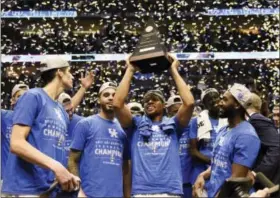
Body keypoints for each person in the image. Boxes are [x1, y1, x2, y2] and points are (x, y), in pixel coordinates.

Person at [113, 54, 195, 197]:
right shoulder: (135, 125)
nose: (149, 102)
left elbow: (189, 103)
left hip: (170, 191)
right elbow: (117, 104)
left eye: (154, 99)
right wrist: (130, 70)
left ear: (163, 105)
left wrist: (173, 70)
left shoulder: (174, 125)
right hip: (141, 192)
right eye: (146, 101)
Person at [2, 56, 80, 196]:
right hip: (28, 189)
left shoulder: (61, 110)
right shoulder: (33, 96)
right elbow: (17, 143)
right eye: (69, 71)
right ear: (59, 72)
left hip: (51, 189)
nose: (72, 76)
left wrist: (67, 174)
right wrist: (56, 167)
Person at [193, 83, 261, 198]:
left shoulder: (246, 136)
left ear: (236, 105)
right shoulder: (224, 129)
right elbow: (219, 164)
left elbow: (234, 182)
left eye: (224, 100)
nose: (219, 103)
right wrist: (202, 175)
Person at [68, 82, 130, 197]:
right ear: (98, 100)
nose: (111, 98)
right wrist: (79, 191)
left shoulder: (123, 130)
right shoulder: (86, 124)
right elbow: (72, 160)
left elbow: (125, 168)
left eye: (114, 95)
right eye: (106, 95)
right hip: (89, 194)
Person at [189, 88, 227, 185]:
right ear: (205, 104)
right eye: (209, 99)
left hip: (222, 169)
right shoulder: (196, 121)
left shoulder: (228, 120)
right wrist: (214, 162)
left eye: (215, 97)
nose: (213, 100)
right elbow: (193, 151)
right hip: (201, 169)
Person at [246, 93, 280, 192]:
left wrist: (256, 173)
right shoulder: (269, 127)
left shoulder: (260, 123)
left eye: (279, 115)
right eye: (274, 115)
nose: (275, 118)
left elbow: (276, 149)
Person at [166, 95, 193, 198]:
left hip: (189, 182)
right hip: (170, 184)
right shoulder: (163, 129)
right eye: (175, 111)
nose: (179, 115)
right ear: (168, 111)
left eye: (181, 110)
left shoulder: (195, 127)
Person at [1, 84, 29, 181]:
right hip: (6, 180)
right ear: (12, 100)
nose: (22, 100)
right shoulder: (4, 117)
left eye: (26, 97)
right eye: (19, 96)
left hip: (25, 181)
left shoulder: (35, 121)